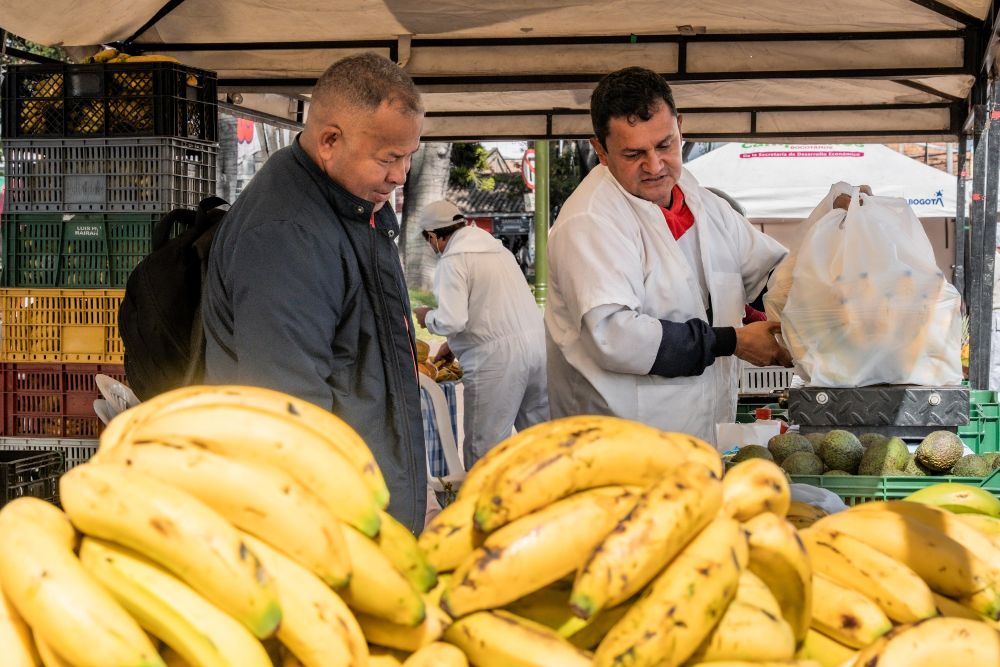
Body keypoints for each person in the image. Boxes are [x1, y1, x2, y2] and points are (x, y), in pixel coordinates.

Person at [202, 53, 427, 532]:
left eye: (409, 157)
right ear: (330, 141)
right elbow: (290, 413)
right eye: (388, 159)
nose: (400, 176)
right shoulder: (287, 236)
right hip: (328, 525)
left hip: (363, 511)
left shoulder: (350, 206)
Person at [544, 66, 791, 444]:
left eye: (665, 145)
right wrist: (732, 341)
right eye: (633, 154)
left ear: (680, 127)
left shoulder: (702, 201)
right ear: (601, 151)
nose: (655, 166)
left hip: (700, 437)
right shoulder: (590, 221)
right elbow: (615, 337)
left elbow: (768, 271)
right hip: (622, 449)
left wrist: (827, 270)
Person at [414, 200, 549, 467]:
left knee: (484, 448)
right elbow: (492, 307)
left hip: (495, 361)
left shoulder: (453, 259)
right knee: (542, 439)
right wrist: (452, 346)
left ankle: (484, 495)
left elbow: (452, 320)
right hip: (537, 348)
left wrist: (427, 316)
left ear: (432, 236)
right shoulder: (498, 250)